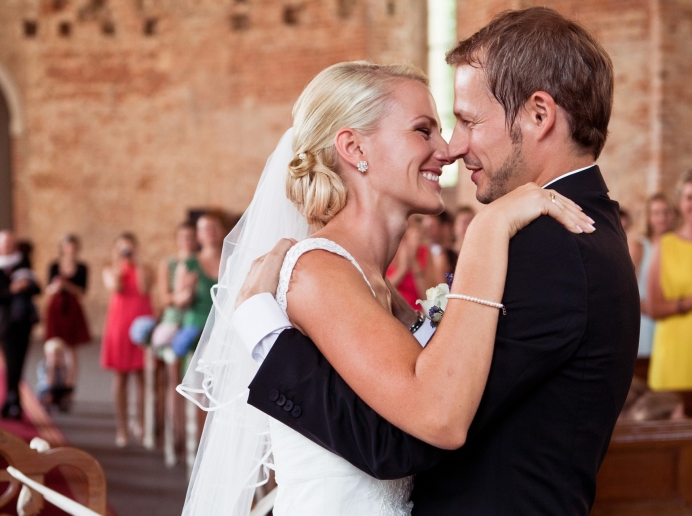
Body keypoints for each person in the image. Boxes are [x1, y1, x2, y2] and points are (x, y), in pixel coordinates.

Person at [234, 8, 638, 516]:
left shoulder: (549, 249)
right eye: (427, 129)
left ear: (539, 115)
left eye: (467, 121)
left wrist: (265, 337)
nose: (452, 148)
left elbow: (404, 436)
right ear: (353, 148)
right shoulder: (573, 233)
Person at [0, 230, 41, 420]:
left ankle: (11, 401)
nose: (7, 247)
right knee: (11, 361)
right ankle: (13, 400)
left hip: (23, 321)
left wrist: (27, 285)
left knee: (19, 362)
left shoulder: (22, 264)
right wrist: (12, 290)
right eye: (4, 244)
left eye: (10, 243)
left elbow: (36, 288)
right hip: (3, 323)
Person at [101, 232, 153, 447]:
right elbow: (116, 287)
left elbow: (144, 288)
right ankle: (121, 428)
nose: (126, 252)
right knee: (120, 378)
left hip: (141, 324)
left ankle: (141, 423)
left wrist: (136, 263)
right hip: (120, 325)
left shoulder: (145, 269)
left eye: (129, 248)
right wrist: (118, 264)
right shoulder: (110, 269)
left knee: (142, 377)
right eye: (122, 248)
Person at [647, 172, 692, 412]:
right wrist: (687, 303)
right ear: (681, 203)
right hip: (674, 356)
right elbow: (654, 308)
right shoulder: (664, 245)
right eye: (689, 197)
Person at [45, 234, 91, 406]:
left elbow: (82, 291)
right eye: (67, 246)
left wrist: (67, 286)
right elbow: (48, 289)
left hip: (72, 310)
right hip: (56, 309)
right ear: (62, 247)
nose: (70, 249)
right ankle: (51, 386)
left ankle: (69, 388)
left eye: (73, 246)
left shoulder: (82, 268)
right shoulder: (54, 266)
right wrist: (56, 287)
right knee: (53, 349)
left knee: (71, 350)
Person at [170, 213, 223, 360]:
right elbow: (178, 302)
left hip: (223, 324)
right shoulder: (189, 264)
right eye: (205, 229)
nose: (210, 231)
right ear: (198, 235)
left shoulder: (233, 261)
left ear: (222, 231)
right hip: (197, 325)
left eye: (214, 227)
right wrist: (188, 291)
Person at [635, 194, 676, 362]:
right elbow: (624, 290)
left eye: (666, 212)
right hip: (646, 322)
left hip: (673, 320)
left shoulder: (679, 246)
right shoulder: (639, 246)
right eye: (656, 213)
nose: (662, 218)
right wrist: (654, 309)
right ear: (648, 217)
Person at [151, 221, 197, 348]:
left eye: (191, 237)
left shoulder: (201, 263)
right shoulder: (168, 263)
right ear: (177, 239)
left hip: (195, 315)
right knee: (162, 339)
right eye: (183, 237)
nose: (187, 241)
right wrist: (181, 297)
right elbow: (164, 298)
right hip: (174, 315)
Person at [386, 216, 437, 309]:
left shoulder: (423, 251)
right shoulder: (385, 249)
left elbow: (429, 300)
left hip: (418, 314)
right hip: (390, 313)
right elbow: (378, 293)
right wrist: (402, 270)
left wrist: (414, 261)